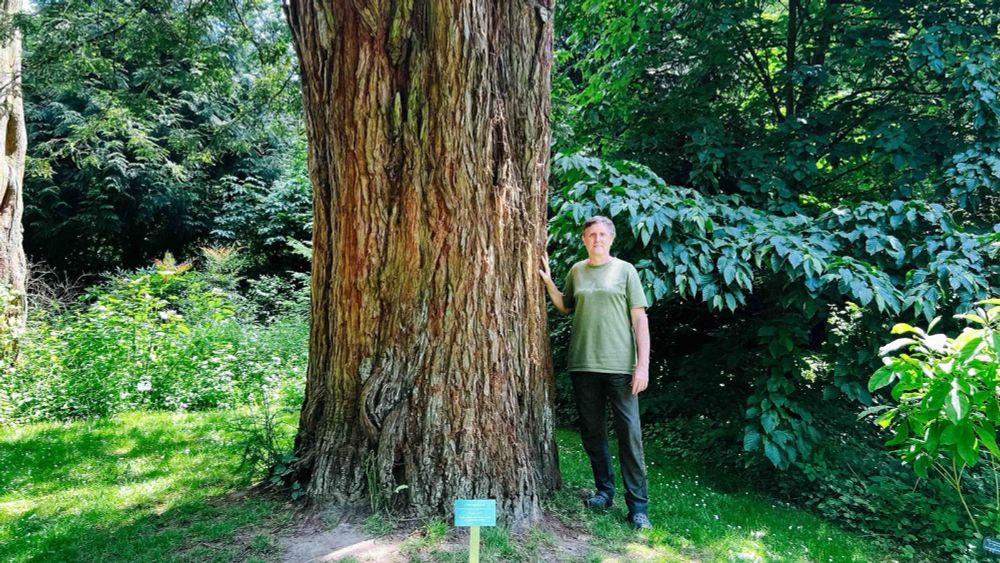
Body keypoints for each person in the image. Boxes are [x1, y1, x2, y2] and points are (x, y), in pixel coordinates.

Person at [539, 215, 653, 530]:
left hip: (620, 368)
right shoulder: (577, 271)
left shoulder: (625, 271)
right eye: (591, 235)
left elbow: (640, 320)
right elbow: (565, 306)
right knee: (593, 433)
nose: (597, 239)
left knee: (629, 437)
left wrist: (642, 365)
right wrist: (549, 282)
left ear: (611, 239)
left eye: (602, 234)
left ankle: (638, 508)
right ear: (584, 239)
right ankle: (604, 491)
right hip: (583, 364)